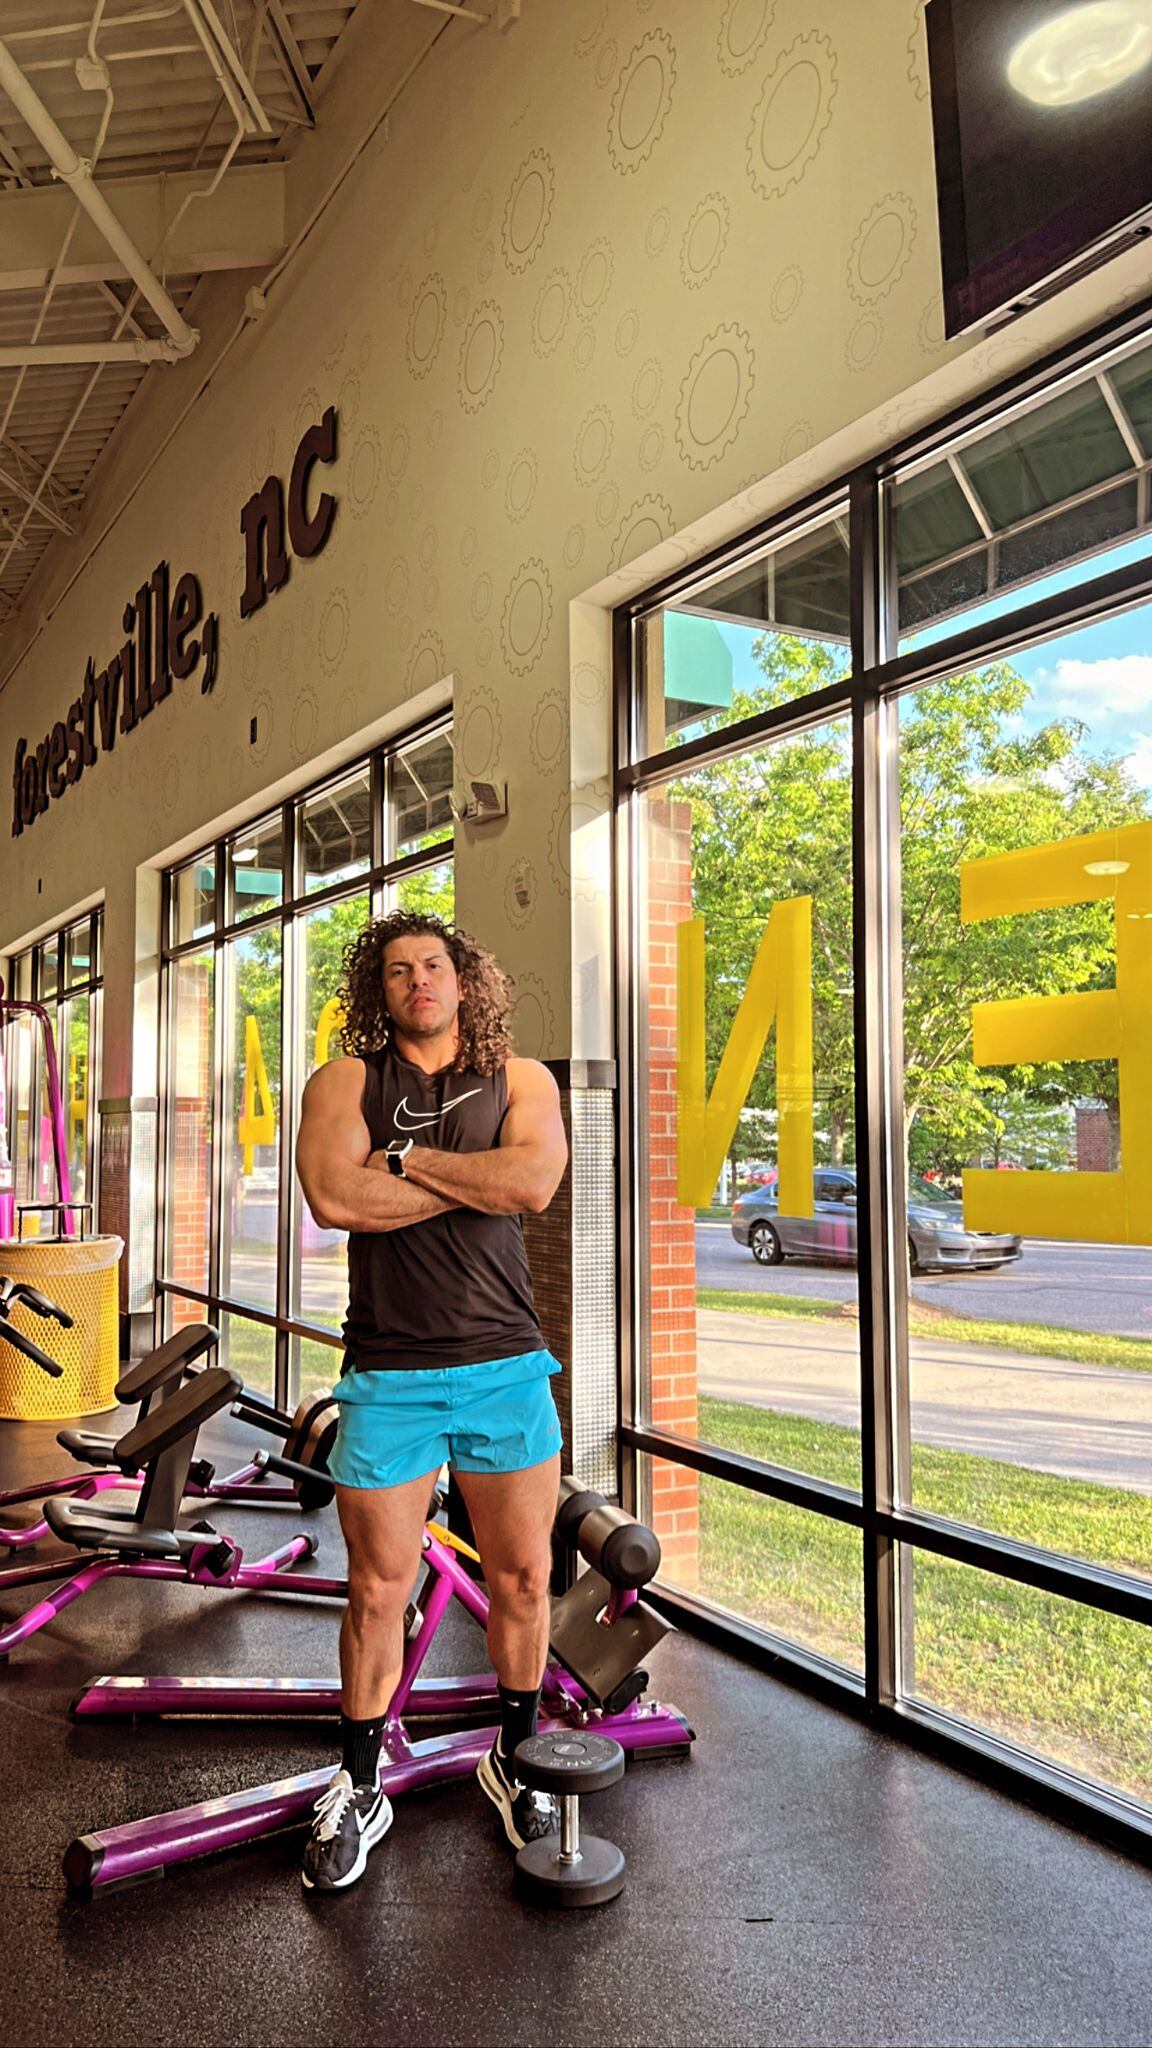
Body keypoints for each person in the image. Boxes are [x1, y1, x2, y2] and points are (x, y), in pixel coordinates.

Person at [294, 909, 568, 1892]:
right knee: (377, 1590)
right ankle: (360, 1782)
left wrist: (403, 1164)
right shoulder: (344, 1082)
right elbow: (333, 1198)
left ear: (466, 979)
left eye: (436, 965)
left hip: (506, 1363)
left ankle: (516, 1755)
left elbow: (534, 1181)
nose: (420, 980)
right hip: (389, 1372)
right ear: (381, 988)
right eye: (401, 968)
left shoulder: (521, 1080)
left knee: (526, 1580)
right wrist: (474, 1181)